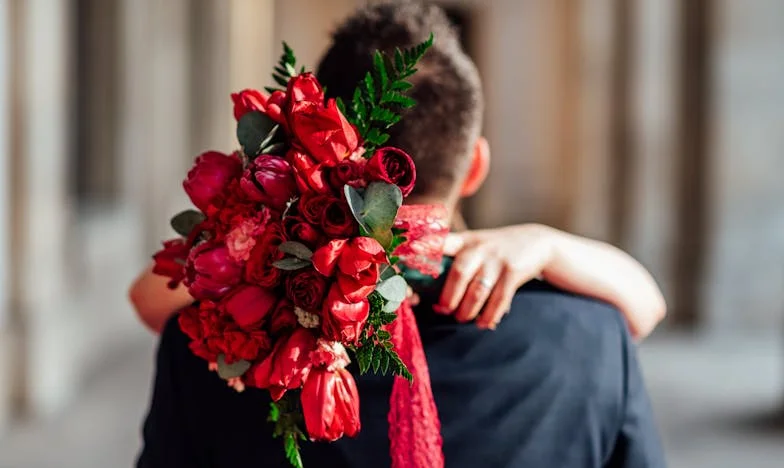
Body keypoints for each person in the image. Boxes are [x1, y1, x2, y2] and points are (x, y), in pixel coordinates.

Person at [136, 2, 666, 467]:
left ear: (309, 152)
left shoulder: (211, 346)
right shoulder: (595, 338)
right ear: (475, 165)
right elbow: (648, 308)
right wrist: (548, 242)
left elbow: (148, 297)